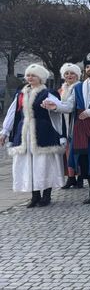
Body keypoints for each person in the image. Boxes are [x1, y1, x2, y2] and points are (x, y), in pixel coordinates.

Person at [42, 54, 90, 205]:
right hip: (81, 130)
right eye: (88, 67)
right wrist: (56, 106)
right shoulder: (78, 87)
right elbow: (70, 106)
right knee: (85, 160)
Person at [1, 64, 66, 208]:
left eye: (33, 75)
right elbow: (13, 113)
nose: (30, 78)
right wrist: (4, 132)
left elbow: (59, 107)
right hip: (24, 132)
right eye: (28, 75)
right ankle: (35, 195)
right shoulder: (21, 93)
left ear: (40, 78)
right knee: (28, 164)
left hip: (42, 132)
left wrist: (52, 105)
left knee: (43, 164)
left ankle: (46, 195)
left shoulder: (48, 92)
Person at [59, 62, 83, 189]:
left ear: (77, 75)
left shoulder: (80, 87)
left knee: (78, 149)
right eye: (67, 73)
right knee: (67, 150)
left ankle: (81, 176)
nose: (69, 75)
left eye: (72, 73)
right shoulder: (62, 89)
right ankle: (70, 176)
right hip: (64, 121)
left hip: (76, 121)